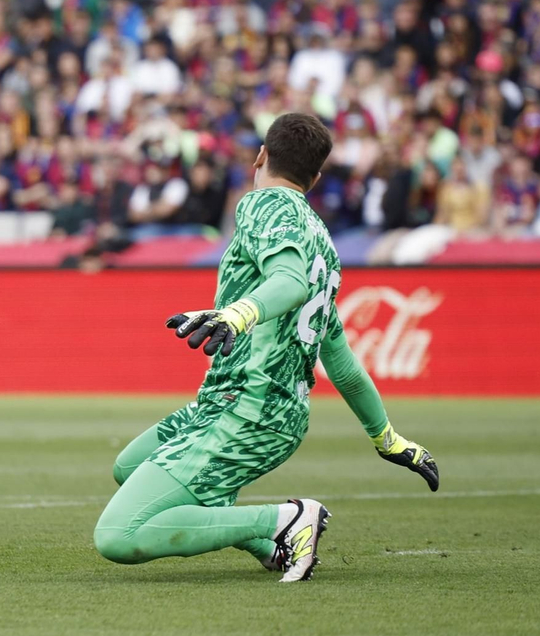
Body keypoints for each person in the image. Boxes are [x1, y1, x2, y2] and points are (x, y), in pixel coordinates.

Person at [93, 113, 438, 583]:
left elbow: (288, 282)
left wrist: (235, 314)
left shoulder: (264, 205)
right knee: (129, 467)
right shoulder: (322, 243)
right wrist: (387, 439)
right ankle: (271, 543)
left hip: (248, 409)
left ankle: (284, 520)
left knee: (117, 534)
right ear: (315, 179)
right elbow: (341, 361)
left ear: (260, 156)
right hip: (254, 410)